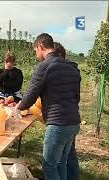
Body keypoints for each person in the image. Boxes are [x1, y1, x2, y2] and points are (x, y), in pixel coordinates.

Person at [16, 33, 81, 180]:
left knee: (49, 166)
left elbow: (31, 96)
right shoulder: (72, 67)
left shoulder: (45, 66)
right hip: (74, 122)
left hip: (58, 124)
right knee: (61, 163)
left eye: (35, 51)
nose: (36, 54)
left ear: (40, 46)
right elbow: (76, 97)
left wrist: (18, 107)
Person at [54, 42, 79, 180]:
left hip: (62, 119)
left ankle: (72, 176)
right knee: (69, 152)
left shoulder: (60, 71)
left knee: (55, 161)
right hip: (72, 117)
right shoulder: (73, 69)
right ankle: (73, 177)